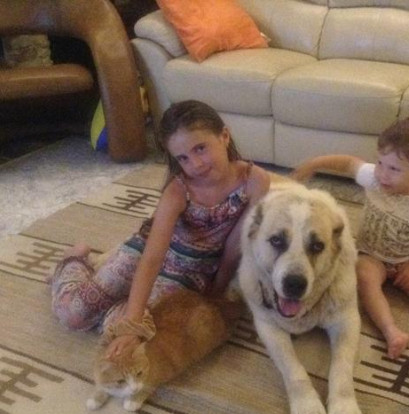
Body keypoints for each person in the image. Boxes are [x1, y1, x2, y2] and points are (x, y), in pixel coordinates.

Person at [51, 100, 270, 359]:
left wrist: (218, 289)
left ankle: (120, 305)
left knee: (139, 337)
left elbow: (236, 244)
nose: (196, 164)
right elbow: (152, 258)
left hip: (191, 272)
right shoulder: (178, 190)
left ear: (224, 136)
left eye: (200, 148)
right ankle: (74, 260)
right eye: (183, 158)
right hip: (144, 253)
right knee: (73, 316)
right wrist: (132, 324)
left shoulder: (254, 181)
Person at [291, 116, 409, 359]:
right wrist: (313, 164)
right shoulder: (374, 178)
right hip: (371, 255)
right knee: (365, 278)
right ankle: (392, 332)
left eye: (394, 169)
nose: (383, 174)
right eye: (380, 162)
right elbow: (348, 163)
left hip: (407, 261)